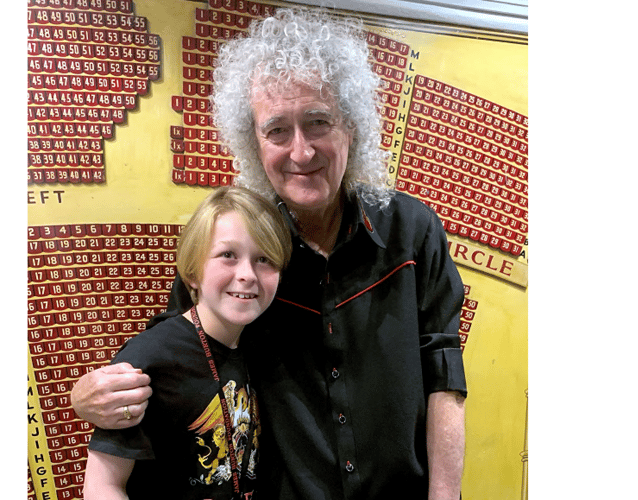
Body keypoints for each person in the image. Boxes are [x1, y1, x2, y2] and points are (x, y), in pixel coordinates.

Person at [73, 8, 467, 500]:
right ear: (253, 142)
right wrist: (95, 395)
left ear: (352, 126)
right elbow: (177, 358)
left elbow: (444, 376)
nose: (300, 152)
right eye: (277, 130)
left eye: (318, 122)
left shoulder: (414, 231)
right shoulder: (238, 252)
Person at [82, 186, 292, 500]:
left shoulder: (259, 346)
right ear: (193, 272)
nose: (247, 274)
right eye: (228, 255)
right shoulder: (150, 356)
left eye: (264, 259)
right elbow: (102, 486)